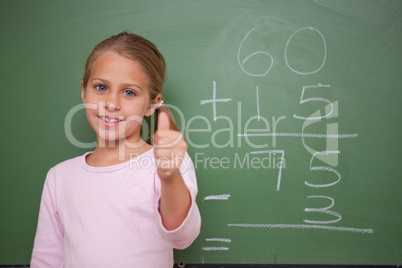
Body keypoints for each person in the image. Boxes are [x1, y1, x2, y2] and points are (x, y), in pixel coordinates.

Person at [30, 32, 201, 267]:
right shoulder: (59, 177)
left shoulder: (167, 164)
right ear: (84, 91)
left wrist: (170, 177)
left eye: (129, 92)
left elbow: (182, 237)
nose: (111, 103)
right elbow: (46, 259)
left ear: (152, 103)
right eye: (101, 87)